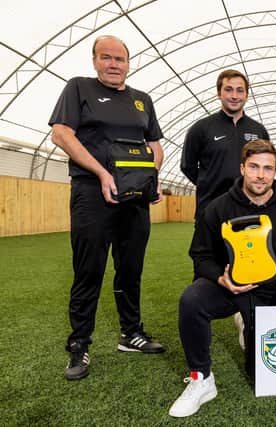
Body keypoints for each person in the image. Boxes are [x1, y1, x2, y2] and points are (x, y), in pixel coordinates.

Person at [49, 35, 165, 381]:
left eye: (120, 59)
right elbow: (61, 134)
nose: (114, 64)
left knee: (130, 270)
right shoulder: (79, 89)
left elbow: (155, 145)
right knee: (89, 271)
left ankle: (132, 334)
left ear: (129, 63)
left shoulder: (142, 101)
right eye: (106, 57)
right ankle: (79, 345)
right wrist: (101, 173)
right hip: (92, 195)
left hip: (134, 200)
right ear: (95, 60)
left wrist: (152, 176)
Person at [169, 139, 276, 418]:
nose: (261, 174)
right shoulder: (218, 208)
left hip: (271, 292)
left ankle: (249, 322)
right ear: (243, 168)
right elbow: (200, 255)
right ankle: (201, 380)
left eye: (268, 168)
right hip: (230, 287)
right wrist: (220, 280)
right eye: (254, 167)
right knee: (192, 300)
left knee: (264, 377)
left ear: (275, 172)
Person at [180, 69, 270, 220]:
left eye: (240, 91)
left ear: (246, 95)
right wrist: (209, 183)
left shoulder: (259, 131)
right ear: (219, 93)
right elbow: (187, 166)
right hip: (210, 211)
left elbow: (267, 165)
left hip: (249, 212)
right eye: (228, 90)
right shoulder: (201, 128)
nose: (234, 96)